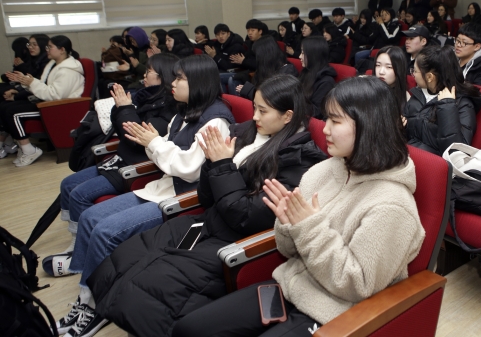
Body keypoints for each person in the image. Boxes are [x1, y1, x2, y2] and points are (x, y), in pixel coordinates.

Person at [172, 75, 424, 337]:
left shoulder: (392, 205)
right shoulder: (323, 171)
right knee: (190, 329)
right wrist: (287, 222)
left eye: (335, 121)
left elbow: (356, 284)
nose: (324, 129)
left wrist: (308, 227)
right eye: (326, 118)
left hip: (336, 311)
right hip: (290, 286)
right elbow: (288, 250)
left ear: (369, 126)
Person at [87, 75, 327, 337]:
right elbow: (206, 197)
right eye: (254, 107)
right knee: (128, 256)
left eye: (262, 110)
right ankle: (98, 311)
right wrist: (212, 163)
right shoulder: (246, 134)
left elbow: (246, 218)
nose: (254, 116)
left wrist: (223, 165)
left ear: (287, 116)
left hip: (234, 239)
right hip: (207, 223)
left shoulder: (300, 160)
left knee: (152, 285)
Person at [48, 55, 235, 337]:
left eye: (180, 78)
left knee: (105, 232)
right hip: (161, 185)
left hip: (179, 197)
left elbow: (189, 169)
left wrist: (155, 142)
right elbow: (165, 156)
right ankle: (88, 291)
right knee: (89, 217)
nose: (173, 83)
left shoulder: (215, 121)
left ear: (198, 82)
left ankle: (92, 307)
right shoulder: (185, 112)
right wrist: (152, 143)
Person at [51, 54, 179, 267]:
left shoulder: (170, 108)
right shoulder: (146, 96)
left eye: (149, 72)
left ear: (163, 77)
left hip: (136, 165)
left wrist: (125, 108)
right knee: (68, 184)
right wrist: (123, 107)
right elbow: (121, 129)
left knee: (80, 194)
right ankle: (78, 241)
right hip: (121, 158)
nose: (144, 75)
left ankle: (82, 246)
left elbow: (135, 137)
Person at [0, 35, 84, 166]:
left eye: (50, 47)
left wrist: (32, 82)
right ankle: (23, 148)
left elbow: (54, 95)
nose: (47, 50)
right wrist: (25, 81)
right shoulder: (54, 65)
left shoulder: (68, 71)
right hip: (48, 104)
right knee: (5, 106)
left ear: (62, 50)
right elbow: (45, 86)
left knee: (13, 112)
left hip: (58, 108)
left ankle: (29, 150)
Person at [404, 45, 481, 155]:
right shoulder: (418, 95)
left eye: (415, 71)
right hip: (410, 156)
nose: (413, 75)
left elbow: (455, 152)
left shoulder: (462, 103)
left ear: (430, 77)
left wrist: (447, 107)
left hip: (434, 165)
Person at [235, 35, 298, 100]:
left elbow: (273, 99)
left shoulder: (287, 72)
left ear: (265, 56)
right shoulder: (267, 68)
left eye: (257, 56)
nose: (257, 59)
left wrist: (249, 91)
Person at [299, 36, 337, 119]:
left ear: (313, 55)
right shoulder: (307, 71)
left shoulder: (326, 82)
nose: (299, 57)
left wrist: (294, 99)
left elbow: (317, 112)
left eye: (303, 53)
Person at [455, 23, 481, 94]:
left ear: (477, 46)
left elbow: (478, 96)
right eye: (457, 40)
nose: (458, 45)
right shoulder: (452, 58)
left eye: (464, 43)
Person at [204, 23, 246, 93]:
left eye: (223, 34)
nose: (220, 36)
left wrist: (215, 56)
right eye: (218, 35)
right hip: (221, 70)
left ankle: (224, 100)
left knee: (216, 77)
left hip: (236, 72)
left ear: (228, 34)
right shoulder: (217, 45)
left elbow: (228, 66)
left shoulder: (236, 46)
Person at [373, 45, 409, 113]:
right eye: (378, 65)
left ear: (399, 69)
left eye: (389, 67)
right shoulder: (367, 91)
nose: (381, 72)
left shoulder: (406, 98)